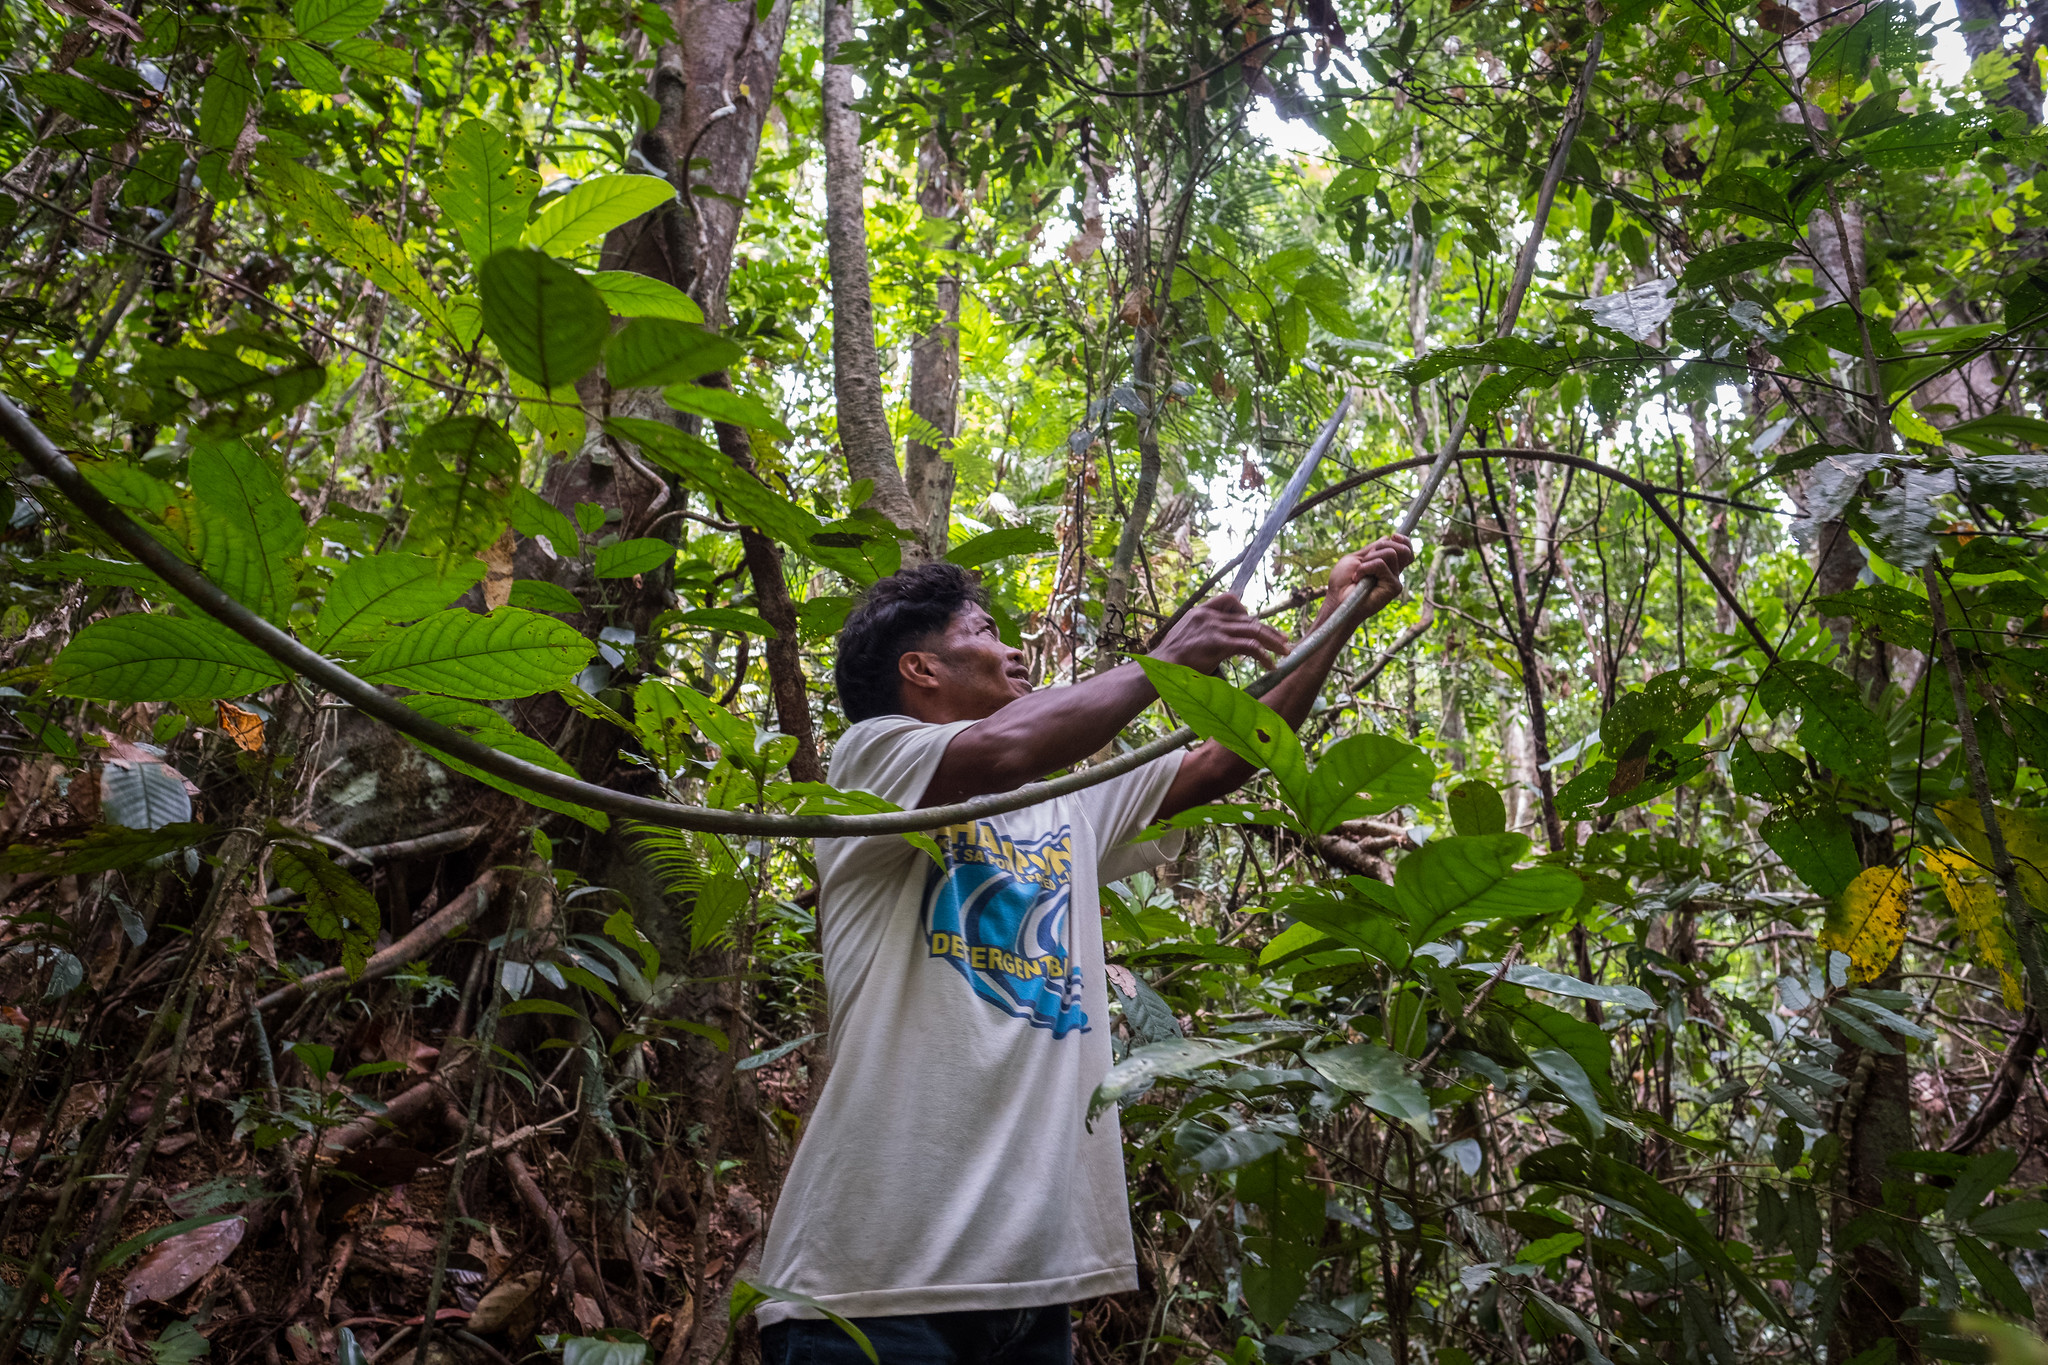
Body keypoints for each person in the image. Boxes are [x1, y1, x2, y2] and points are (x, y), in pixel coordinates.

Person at [754, 535, 1415, 1365]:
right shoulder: (870, 763)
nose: (1014, 647)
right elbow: (1004, 748)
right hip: (869, 1289)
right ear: (920, 670)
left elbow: (1222, 760)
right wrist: (1161, 663)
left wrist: (1336, 615)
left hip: (1032, 1289)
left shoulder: (1062, 798)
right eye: (986, 631)